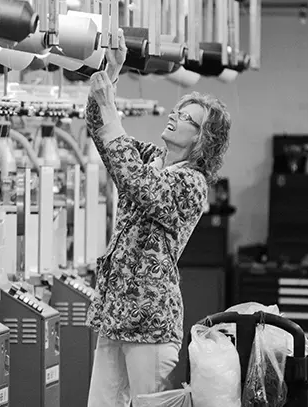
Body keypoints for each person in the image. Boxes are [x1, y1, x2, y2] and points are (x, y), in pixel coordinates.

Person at [85, 29, 231, 407]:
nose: (174, 116)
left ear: (202, 140)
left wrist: (112, 109)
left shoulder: (191, 183)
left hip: (149, 323)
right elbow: (102, 134)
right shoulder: (151, 159)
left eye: (186, 118)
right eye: (177, 110)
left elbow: (136, 183)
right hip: (115, 313)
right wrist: (111, 75)